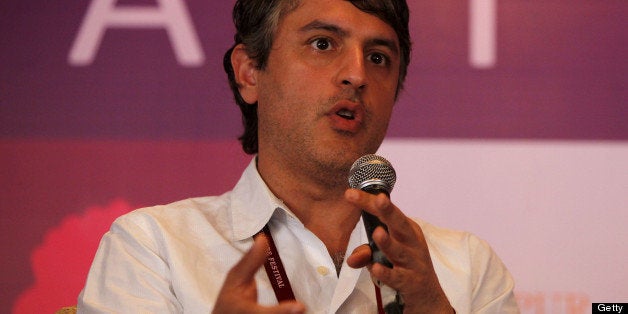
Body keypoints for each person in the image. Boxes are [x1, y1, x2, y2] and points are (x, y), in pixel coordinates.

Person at [78, 0, 519, 313]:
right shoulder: (155, 249)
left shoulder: (465, 266)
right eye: (323, 44)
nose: (356, 74)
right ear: (250, 72)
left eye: (379, 56)